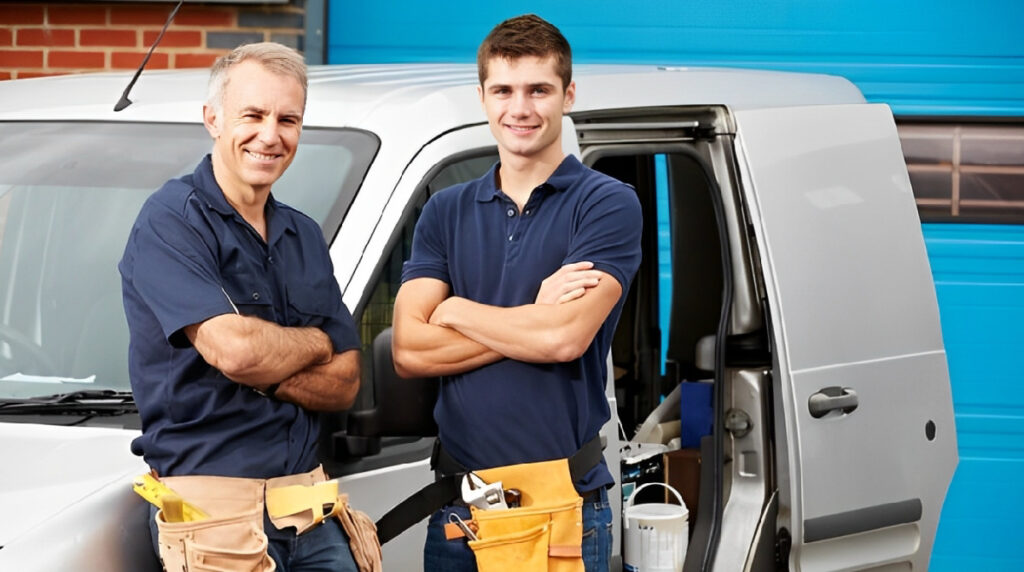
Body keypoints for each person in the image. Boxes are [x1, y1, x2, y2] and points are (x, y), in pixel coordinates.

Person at [391, 14, 642, 572]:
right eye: (503, 89)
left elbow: (563, 339)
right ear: (481, 96)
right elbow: (409, 349)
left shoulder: (606, 204)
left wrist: (454, 311)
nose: (520, 108)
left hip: (562, 505)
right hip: (460, 511)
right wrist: (532, 314)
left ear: (568, 94)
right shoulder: (445, 210)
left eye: (539, 90)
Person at [119, 42, 373, 572]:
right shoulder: (171, 221)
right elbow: (236, 352)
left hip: (308, 508)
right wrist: (314, 343)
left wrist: (273, 362)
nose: (270, 135)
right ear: (213, 118)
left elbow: (347, 378)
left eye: (288, 119)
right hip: (212, 514)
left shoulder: (302, 233)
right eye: (252, 115)